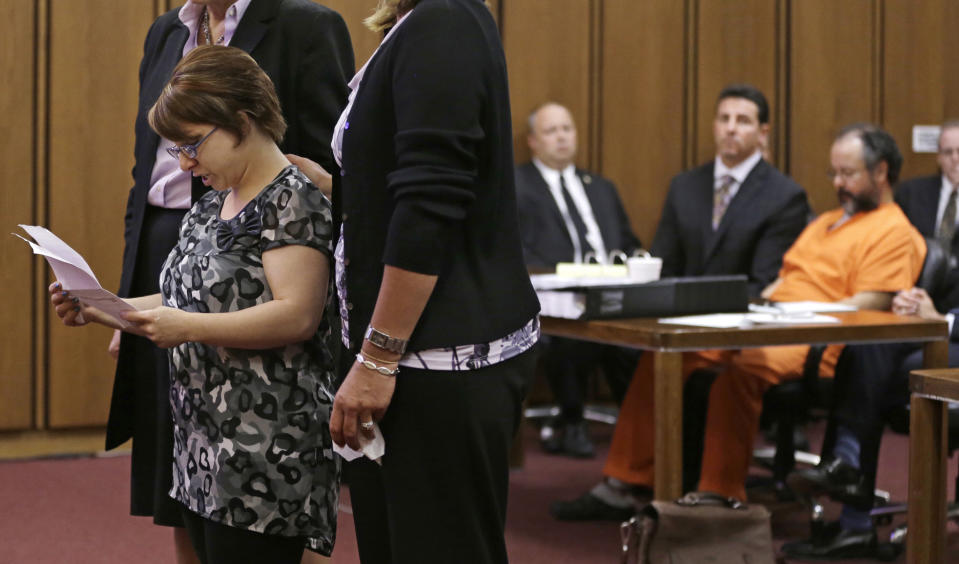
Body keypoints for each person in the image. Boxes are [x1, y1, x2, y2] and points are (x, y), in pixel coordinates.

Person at [551, 124, 926, 522]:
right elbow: (784, 278)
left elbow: (872, 302)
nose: (837, 183)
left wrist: (796, 313)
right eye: (833, 173)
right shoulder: (827, 221)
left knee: (739, 373)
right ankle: (625, 482)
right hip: (771, 319)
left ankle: (718, 496)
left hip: (819, 336)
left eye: (848, 174)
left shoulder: (896, 231)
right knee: (669, 355)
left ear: (881, 172)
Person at [52, 46, 338, 564]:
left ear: (242, 122)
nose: (185, 162)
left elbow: (298, 314)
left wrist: (186, 327)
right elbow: (184, 297)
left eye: (192, 145)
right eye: (176, 150)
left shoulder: (291, 198)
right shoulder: (212, 201)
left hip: (267, 448)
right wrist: (103, 308)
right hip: (202, 436)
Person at [327, 0, 540, 562]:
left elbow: (430, 203)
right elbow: (395, 186)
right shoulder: (418, 22)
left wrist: (377, 358)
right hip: (411, 353)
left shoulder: (444, 19)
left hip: (437, 357)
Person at [782, 121, 959, 559]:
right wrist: (917, 304)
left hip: (949, 334)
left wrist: (943, 319)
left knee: (877, 361)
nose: (954, 162)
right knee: (874, 340)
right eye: (948, 152)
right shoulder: (916, 198)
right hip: (933, 329)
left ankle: (849, 484)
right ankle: (850, 493)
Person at [515, 102, 642, 458]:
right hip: (554, 300)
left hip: (613, 298)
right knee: (573, 339)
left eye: (567, 129)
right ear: (533, 141)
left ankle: (638, 428)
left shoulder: (601, 187)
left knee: (634, 345)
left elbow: (629, 244)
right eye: (551, 130)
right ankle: (572, 421)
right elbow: (513, 250)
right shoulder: (517, 184)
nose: (562, 137)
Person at [651, 84, 811, 298]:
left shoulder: (784, 196)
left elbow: (763, 281)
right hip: (676, 315)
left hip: (742, 318)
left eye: (742, 121)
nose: (731, 128)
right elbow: (663, 265)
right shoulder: (683, 186)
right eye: (724, 119)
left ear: (763, 133)